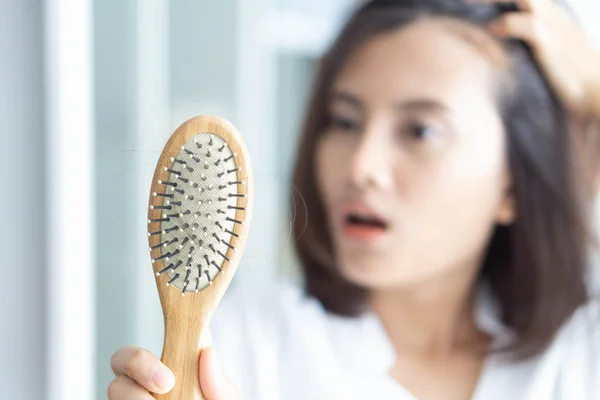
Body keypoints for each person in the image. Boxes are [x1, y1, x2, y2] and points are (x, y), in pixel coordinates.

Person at [107, 0, 600, 399]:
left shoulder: (578, 354)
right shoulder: (245, 348)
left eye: (420, 130)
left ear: (512, 184)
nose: (360, 165)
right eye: (344, 121)